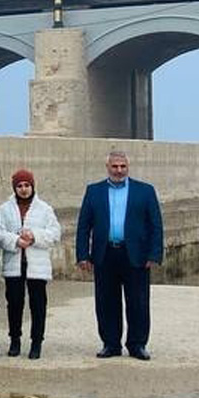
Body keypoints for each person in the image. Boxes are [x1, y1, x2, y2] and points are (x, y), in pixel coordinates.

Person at [76, 149, 164, 360]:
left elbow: (156, 225)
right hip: (105, 254)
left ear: (128, 167)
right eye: (115, 166)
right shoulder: (94, 191)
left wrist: (154, 254)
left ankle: (137, 344)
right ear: (107, 167)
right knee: (106, 301)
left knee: (138, 302)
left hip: (135, 255)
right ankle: (111, 343)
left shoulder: (145, 191)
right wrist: (83, 255)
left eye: (123, 166)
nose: (119, 170)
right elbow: (84, 226)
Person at [0, 168, 61, 359]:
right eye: (19, 186)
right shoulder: (5, 209)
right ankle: (15, 339)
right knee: (14, 303)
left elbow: (54, 233)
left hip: (37, 264)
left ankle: (36, 342)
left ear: (32, 186)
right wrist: (16, 240)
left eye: (27, 185)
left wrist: (34, 236)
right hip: (14, 263)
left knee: (38, 304)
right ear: (14, 188)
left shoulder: (44, 209)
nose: (23, 189)